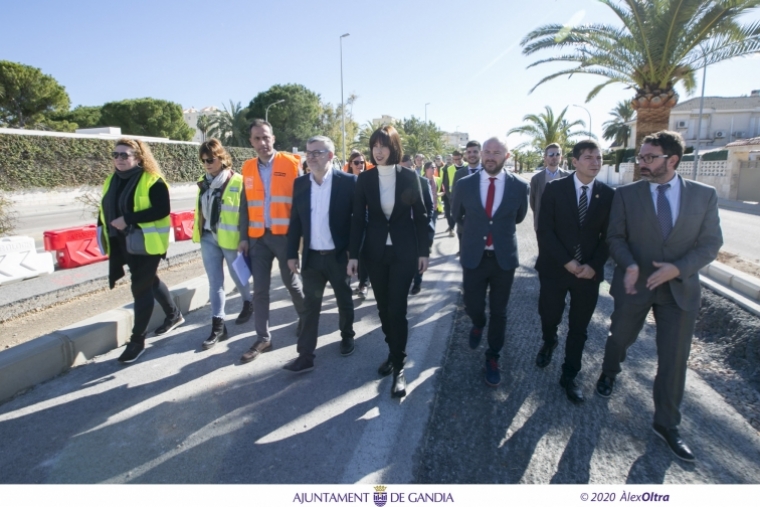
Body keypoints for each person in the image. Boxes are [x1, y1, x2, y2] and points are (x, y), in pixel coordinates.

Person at [596, 130, 722, 462]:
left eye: (649, 157)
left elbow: (711, 244)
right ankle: (609, 371)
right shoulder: (626, 195)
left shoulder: (703, 196)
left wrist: (678, 269)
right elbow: (615, 237)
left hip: (679, 292)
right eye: (641, 157)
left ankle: (666, 424)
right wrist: (629, 264)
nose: (642, 163)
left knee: (674, 360)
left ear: (673, 160)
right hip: (634, 285)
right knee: (620, 338)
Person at [348, 125, 430, 398]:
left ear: (393, 147)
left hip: (403, 254)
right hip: (375, 254)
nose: (378, 150)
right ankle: (394, 352)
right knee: (383, 309)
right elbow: (358, 219)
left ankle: (400, 367)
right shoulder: (365, 180)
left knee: (397, 309)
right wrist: (353, 256)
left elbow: (421, 216)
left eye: (384, 145)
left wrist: (423, 252)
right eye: (374, 145)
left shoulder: (409, 176)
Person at [534, 139, 614, 403]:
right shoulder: (556, 189)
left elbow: (610, 237)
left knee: (579, 328)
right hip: (556, 269)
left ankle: (570, 374)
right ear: (575, 162)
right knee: (549, 316)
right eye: (589, 157)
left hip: (588, 276)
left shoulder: (608, 194)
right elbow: (545, 230)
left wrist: (593, 266)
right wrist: (568, 261)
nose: (595, 163)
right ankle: (549, 341)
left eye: (599, 157)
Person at [452, 137, 528, 387]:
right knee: (472, 304)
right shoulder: (465, 184)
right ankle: (477, 322)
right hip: (474, 256)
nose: (490, 156)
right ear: (481, 155)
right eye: (487, 151)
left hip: (503, 259)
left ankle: (493, 357)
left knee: (499, 311)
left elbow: (518, 217)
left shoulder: (520, 186)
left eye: (497, 152)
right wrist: (476, 232)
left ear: (507, 155)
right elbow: (457, 215)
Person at [98, 139, 183, 364]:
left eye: (125, 155)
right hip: (124, 244)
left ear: (138, 157)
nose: (119, 159)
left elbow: (162, 209)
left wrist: (128, 219)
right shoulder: (111, 180)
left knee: (140, 288)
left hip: (148, 245)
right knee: (149, 281)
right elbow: (104, 209)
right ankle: (174, 315)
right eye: (115, 154)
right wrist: (102, 231)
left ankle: (137, 341)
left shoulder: (152, 180)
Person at [284, 136, 357, 373]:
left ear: (330, 156)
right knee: (310, 306)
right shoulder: (300, 184)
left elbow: (358, 223)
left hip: (338, 256)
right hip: (313, 258)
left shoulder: (348, 182)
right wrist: (291, 253)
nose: (311, 157)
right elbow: (294, 221)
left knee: (343, 300)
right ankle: (305, 355)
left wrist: (354, 255)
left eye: (317, 152)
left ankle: (347, 335)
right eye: (309, 152)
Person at [238, 119, 306, 364]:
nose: (262, 142)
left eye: (266, 137)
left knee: (292, 284)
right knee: (260, 291)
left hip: (285, 236)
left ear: (273, 138)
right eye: (257, 138)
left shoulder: (290, 164)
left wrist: (299, 238)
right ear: (251, 142)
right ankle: (263, 337)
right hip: (258, 239)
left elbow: (301, 203)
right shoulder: (246, 168)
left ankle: (305, 319)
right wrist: (243, 237)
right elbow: (244, 206)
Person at [192, 138, 253, 350]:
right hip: (209, 237)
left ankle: (248, 302)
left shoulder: (238, 181)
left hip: (231, 238)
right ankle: (218, 326)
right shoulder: (203, 182)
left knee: (239, 275)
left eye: (210, 159)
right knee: (215, 282)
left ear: (221, 158)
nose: (207, 164)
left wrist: (245, 238)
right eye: (203, 160)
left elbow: (246, 213)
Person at [529, 143, 571, 233]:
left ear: (561, 157)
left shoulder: (569, 177)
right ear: (545, 157)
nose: (554, 157)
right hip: (543, 224)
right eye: (551, 154)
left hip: (564, 225)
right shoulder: (536, 179)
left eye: (557, 154)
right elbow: (533, 202)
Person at [410, 161, 437, 295]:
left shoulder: (422, 182)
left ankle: (417, 282)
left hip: (419, 227)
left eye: (409, 167)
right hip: (403, 229)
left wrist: (423, 223)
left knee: (418, 256)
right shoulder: (395, 182)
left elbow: (430, 206)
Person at [347, 150, 371, 298]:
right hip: (348, 220)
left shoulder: (368, 180)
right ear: (350, 164)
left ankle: (363, 284)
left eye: (362, 162)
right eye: (356, 162)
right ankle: (348, 284)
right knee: (349, 253)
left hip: (366, 219)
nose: (360, 165)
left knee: (362, 253)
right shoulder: (346, 181)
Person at [440, 150, 464, 237]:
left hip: (466, 197)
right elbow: (446, 184)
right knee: (453, 214)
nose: (457, 161)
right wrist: (450, 196)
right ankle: (451, 228)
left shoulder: (467, 167)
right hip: (453, 197)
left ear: (462, 157)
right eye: (455, 159)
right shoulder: (449, 169)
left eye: (458, 158)